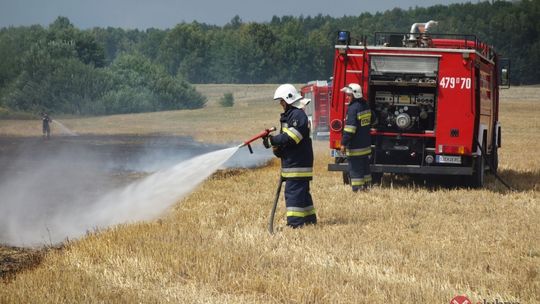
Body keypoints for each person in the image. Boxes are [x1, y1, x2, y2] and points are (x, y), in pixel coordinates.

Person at [263, 84, 317, 228]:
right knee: (302, 194)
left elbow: (293, 137)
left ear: (288, 99)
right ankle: (309, 220)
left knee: (293, 193)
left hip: (297, 164)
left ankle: (295, 224)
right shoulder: (292, 115)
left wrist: (273, 140)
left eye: (281, 101)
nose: (281, 104)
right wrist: (278, 149)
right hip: (295, 162)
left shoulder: (297, 115)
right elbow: (288, 140)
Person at [340, 83, 372, 192]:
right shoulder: (365, 105)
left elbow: (350, 129)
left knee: (355, 168)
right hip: (365, 146)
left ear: (355, 95)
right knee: (365, 167)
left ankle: (358, 189)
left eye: (349, 95)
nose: (347, 97)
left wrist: (343, 143)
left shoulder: (353, 108)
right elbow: (374, 119)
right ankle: (366, 187)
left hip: (355, 147)